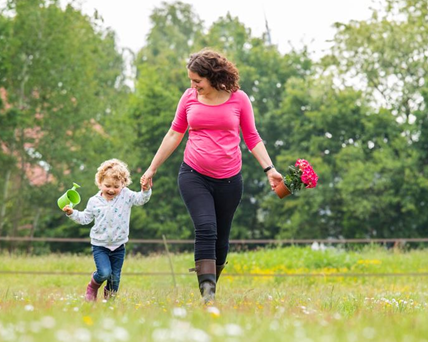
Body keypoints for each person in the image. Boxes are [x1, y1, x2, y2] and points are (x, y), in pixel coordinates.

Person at [140, 49, 283, 302]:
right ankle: (207, 294)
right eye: (191, 81)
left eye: (197, 81)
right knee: (206, 228)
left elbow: (251, 137)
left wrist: (270, 169)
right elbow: (174, 133)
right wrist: (152, 168)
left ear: (213, 76)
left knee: (221, 237)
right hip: (193, 174)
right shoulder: (189, 98)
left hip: (230, 180)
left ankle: (211, 285)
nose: (193, 86)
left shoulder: (239, 99)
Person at [63, 159, 151, 301]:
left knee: (115, 278)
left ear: (123, 184)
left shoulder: (126, 196)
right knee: (104, 273)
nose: (111, 189)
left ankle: (109, 304)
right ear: (100, 183)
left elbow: (141, 199)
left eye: (116, 186)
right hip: (100, 245)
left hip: (119, 245)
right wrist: (71, 213)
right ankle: (93, 286)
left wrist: (145, 190)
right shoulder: (94, 201)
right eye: (107, 185)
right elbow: (85, 218)